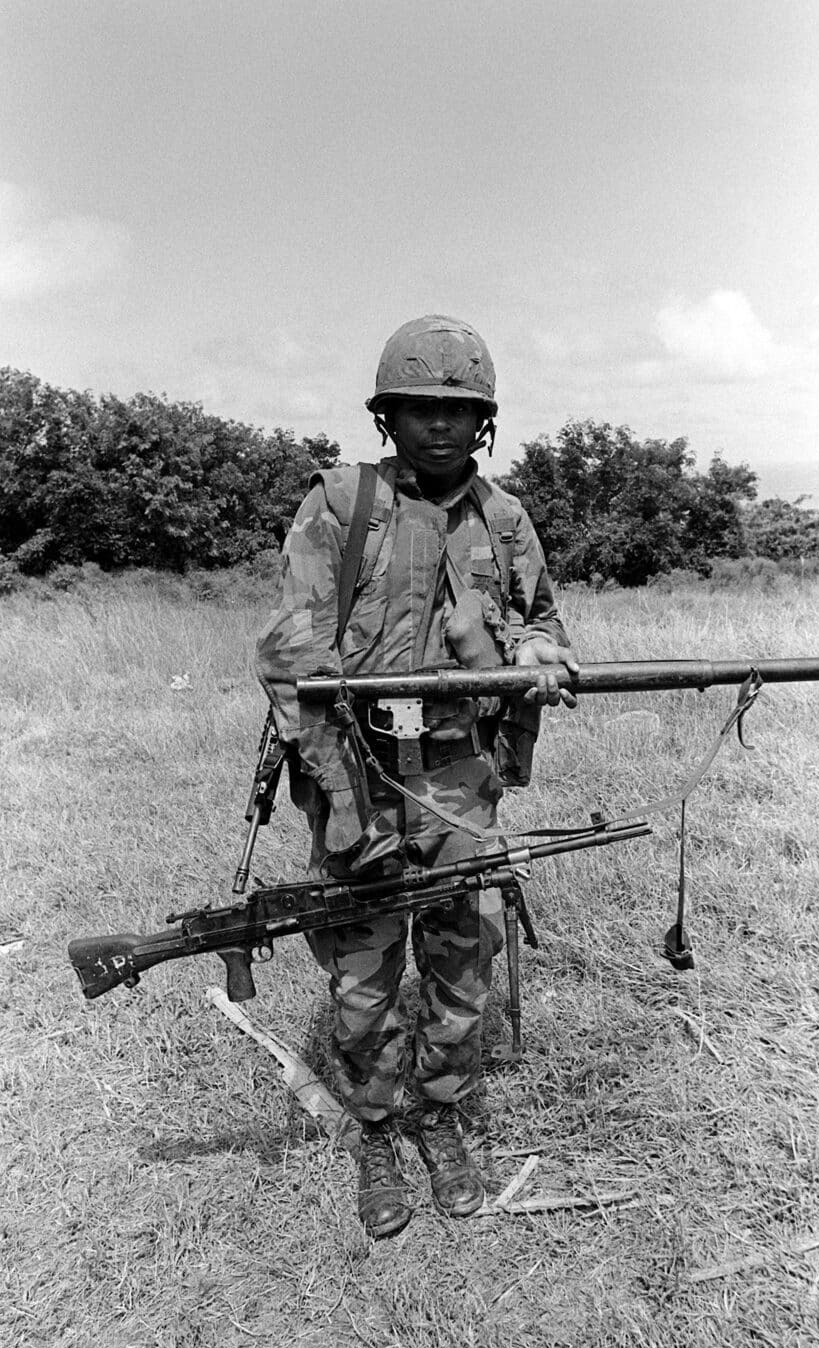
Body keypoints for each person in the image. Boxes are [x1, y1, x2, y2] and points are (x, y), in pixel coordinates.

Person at [256, 314, 578, 1237]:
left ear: (481, 421)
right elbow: (291, 649)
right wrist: (335, 781)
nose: (438, 426)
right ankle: (377, 1128)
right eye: (419, 409)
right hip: (356, 768)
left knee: (460, 955)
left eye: (457, 410)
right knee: (363, 971)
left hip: (459, 775)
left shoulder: (506, 518)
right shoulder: (339, 505)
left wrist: (542, 653)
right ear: (388, 416)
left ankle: (440, 1114)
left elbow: (541, 619)